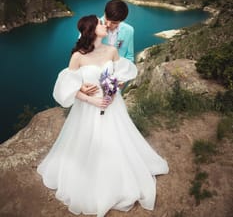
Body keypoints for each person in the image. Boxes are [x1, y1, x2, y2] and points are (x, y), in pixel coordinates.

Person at [37, 15, 169, 217]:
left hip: (112, 106)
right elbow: (67, 87)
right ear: (90, 31)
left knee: (117, 141)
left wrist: (114, 89)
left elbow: (122, 75)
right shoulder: (78, 56)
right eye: (100, 24)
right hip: (88, 108)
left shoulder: (112, 51)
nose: (104, 24)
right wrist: (87, 95)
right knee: (89, 143)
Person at [81, 0, 134, 96]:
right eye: (107, 19)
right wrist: (81, 84)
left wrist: (122, 79)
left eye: (114, 22)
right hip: (92, 83)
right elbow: (79, 56)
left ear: (121, 21)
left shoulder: (129, 31)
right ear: (104, 12)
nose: (108, 24)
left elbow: (129, 57)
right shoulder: (91, 26)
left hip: (114, 85)